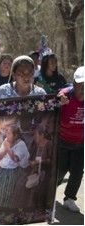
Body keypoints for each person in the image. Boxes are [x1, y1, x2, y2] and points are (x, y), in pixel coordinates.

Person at [56, 66, 84, 212]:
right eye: (81, 86)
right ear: (74, 84)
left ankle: (69, 198)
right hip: (62, 141)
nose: (83, 90)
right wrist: (59, 104)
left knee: (78, 171)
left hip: (80, 143)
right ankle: (50, 189)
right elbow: (49, 110)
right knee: (60, 170)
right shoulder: (64, 96)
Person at [0, 125, 30, 209]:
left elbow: (16, 159)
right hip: (3, 168)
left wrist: (8, 148)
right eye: (6, 133)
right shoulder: (6, 141)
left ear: (15, 135)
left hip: (15, 169)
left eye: (9, 134)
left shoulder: (21, 144)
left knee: (4, 183)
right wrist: (5, 149)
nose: (6, 135)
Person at [11, 124, 53, 208]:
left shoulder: (49, 145)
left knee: (35, 188)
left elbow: (51, 160)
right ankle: (19, 207)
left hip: (44, 172)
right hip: (33, 169)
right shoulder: (35, 144)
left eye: (36, 135)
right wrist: (31, 162)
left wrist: (41, 161)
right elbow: (29, 158)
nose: (34, 137)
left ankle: (31, 208)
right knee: (20, 183)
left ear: (42, 135)